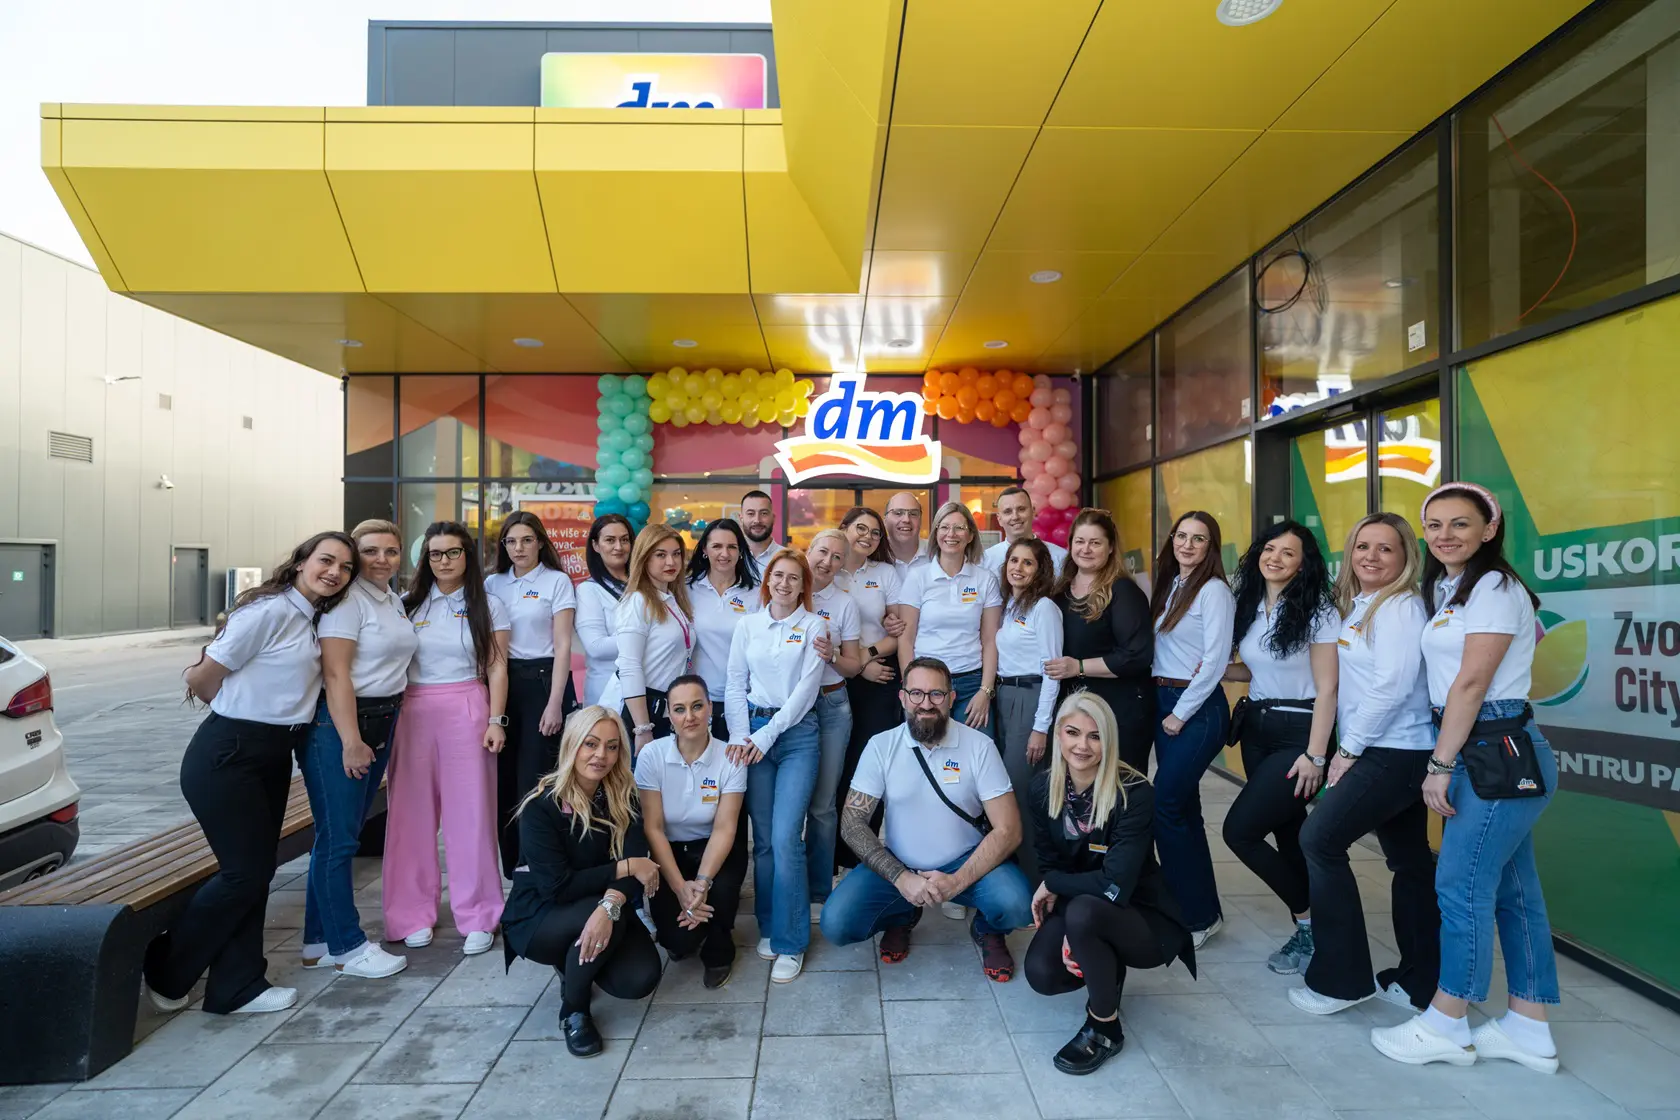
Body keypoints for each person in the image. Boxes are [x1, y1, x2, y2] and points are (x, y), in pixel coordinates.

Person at [1371, 483, 1559, 1071]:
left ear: (1489, 529)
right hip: (1485, 746)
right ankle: (1530, 1026)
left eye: (1459, 523)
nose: (1444, 535)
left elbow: (1472, 684)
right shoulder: (1452, 588)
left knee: (1459, 885)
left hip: (1493, 747)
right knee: (1515, 891)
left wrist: (1441, 763)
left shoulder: (1496, 587)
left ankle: (1447, 1021)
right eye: (1434, 525)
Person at [144, 532, 356, 1016]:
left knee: (256, 871)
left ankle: (235, 987)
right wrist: (238, 716)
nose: (335, 572)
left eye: (345, 567)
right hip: (230, 753)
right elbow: (201, 678)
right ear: (301, 562)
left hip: (273, 754)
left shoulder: (311, 617)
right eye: (326, 560)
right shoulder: (268, 612)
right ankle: (167, 968)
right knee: (245, 873)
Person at [1290, 513, 1438, 1017]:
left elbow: (1392, 687)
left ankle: (1342, 980)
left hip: (1392, 750)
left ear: (1405, 557)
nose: (1371, 557)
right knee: (1410, 863)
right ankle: (1421, 983)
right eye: (1362, 546)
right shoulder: (1361, 605)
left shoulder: (1400, 607)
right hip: (1387, 747)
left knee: (1319, 840)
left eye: (1385, 548)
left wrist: (1347, 750)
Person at [824, 657, 1035, 983]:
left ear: (951, 698)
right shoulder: (881, 746)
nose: (926, 703)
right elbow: (852, 822)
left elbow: (1009, 830)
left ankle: (988, 928)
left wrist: (957, 882)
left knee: (1018, 904)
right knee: (837, 923)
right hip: (900, 863)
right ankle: (901, 914)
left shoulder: (979, 746)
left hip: (967, 862)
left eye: (936, 694)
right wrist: (901, 878)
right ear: (903, 697)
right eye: (917, 693)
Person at [1024, 691, 1194, 1075]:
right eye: (1072, 732)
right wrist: (1060, 900)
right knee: (1042, 973)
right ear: (1058, 734)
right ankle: (1100, 955)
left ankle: (1105, 1027)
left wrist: (1055, 889)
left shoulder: (1135, 793)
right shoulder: (1041, 788)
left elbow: (1115, 884)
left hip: (1142, 915)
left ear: (1109, 741)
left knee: (1085, 913)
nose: (1082, 746)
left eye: (1095, 736)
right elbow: (1048, 863)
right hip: (1084, 902)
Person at [502, 707, 662, 1057]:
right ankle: (573, 1011)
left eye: (611, 746)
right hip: (541, 914)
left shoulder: (623, 795)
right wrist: (624, 869)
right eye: (591, 744)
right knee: (603, 912)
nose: (601, 755)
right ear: (572, 744)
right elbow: (557, 887)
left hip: (601, 903)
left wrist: (610, 902)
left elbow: (639, 867)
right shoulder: (541, 806)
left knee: (639, 978)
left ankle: (576, 957)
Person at [383, 521, 511, 957]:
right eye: (435, 553)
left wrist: (496, 719)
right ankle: (410, 914)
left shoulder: (488, 604)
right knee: (410, 817)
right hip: (413, 711)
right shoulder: (406, 604)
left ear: (467, 555)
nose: (443, 561)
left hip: (467, 707)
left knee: (471, 817)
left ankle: (478, 914)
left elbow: (497, 666)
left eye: (452, 552)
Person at [297, 520, 416, 979]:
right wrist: (350, 741)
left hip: (382, 719)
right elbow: (335, 674)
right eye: (370, 551)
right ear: (355, 555)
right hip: (344, 725)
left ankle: (318, 942)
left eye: (391, 551)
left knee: (338, 835)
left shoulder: (390, 599)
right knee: (340, 840)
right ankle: (348, 947)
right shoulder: (347, 603)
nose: (381, 559)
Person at [1219, 521, 1339, 976]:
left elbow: (1328, 688)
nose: (1275, 558)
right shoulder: (1251, 606)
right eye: (1270, 549)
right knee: (1287, 832)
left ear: (1303, 564)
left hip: (1300, 733)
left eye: (1288, 553)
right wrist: (1211, 670)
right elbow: (1258, 670)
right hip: (1257, 727)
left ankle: (1311, 920)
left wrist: (1316, 755)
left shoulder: (1318, 611)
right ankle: (1311, 931)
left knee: (1240, 832)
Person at [725, 550, 829, 983]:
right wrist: (739, 734)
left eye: (793, 578)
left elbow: (806, 691)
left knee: (787, 838)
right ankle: (769, 924)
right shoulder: (747, 625)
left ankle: (791, 940)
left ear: (803, 586)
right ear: (767, 580)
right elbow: (734, 682)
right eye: (778, 576)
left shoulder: (814, 626)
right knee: (764, 841)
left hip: (796, 735)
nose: (784, 584)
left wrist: (766, 736)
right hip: (751, 732)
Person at [1148, 510, 1237, 948]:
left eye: (1198, 539)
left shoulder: (1214, 590)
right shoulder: (1170, 585)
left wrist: (1180, 713)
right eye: (1181, 536)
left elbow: (1216, 660)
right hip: (1166, 699)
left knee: (1164, 805)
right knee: (1184, 810)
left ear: (1210, 547)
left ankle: (1195, 915)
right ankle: (1203, 910)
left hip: (1196, 709)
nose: (1187, 544)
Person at [633, 675, 748, 990]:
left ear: (710, 708)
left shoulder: (730, 757)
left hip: (714, 848)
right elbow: (653, 828)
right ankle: (694, 926)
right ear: (669, 715)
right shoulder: (652, 755)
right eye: (680, 709)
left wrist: (702, 883)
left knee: (720, 896)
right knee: (678, 941)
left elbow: (725, 828)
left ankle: (719, 949)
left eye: (697, 706)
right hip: (669, 853)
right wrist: (680, 887)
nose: (690, 716)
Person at [486, 511, 579, 878]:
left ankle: (536, 861)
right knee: (503, 778)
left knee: (537, 777)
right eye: (511, 541)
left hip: (543, 682)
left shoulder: (557, 581)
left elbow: (563, 645)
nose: (519, 548)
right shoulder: (493, 583)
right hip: (501, 682)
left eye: (526, 540)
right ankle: (512, 865)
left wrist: (555, 702)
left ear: (540, 542)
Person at [1045, 509, 1154, 774]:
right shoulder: (1059, 592)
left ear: (1111, 547)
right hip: (1074, 707)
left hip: (1118, 709)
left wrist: (1078, 667)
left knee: (1118, 785)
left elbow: (1137, 656)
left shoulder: (1123, 591)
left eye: (1095, 543)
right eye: (1080, 541)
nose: (1086, 549)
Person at [834, 506, 906, 874]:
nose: (868, 537)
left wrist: (864, 659)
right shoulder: (826, 568)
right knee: (835, 767)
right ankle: (830, 858)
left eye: (876, 533)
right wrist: (856, 665)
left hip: (879, 677)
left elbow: (898, 632)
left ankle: (858, 857)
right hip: (833, 677)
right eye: (861, 528)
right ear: (844, 528)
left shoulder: (885, 573)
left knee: (869, 765)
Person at [895, 501, 1002, 736]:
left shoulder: (985, 579)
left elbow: (990, 639)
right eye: (944, 527)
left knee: (978, 750)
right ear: (936, 534)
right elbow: (906, 639)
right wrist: (911, 688)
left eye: (959, 528)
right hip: (926, 685)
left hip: (971, 683)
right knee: (928, 749)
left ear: (970, 535)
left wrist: (985, 690)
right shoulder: (918, 577)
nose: (951, 534)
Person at [992, 536, 1063, 883]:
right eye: (1013, 560)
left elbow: (1052, 671)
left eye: (1027, 562)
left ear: (1040, 570)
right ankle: (1013, 878)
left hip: (1030, 698)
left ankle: (1038, 883)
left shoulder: (1043, 608)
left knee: (1018, 793)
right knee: (1004, 791)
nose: (1018, 568)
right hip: (1004, 697)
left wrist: (1040, 727)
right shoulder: (1009, 605)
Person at [804, 529, 863, 904]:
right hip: (788, 709)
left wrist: (833, 656)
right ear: (808, 550)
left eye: (837, 557)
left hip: (830, 706)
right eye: (822, 552)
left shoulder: (844, 603)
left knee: (823, 805)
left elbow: (854, 666)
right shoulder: (784, 589)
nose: (827, 561)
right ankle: (787, 883)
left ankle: (818, 890)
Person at [617, 524, 695, 755]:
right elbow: (629, 666)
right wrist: (642, 728)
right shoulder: (638, 601)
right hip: (643, 712)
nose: (671, 562)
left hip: (669, 708)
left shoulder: (672, 599)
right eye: (660, 555)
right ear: (644, 558)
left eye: (676, 554)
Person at [684, 518, 759, 743]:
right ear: (704, 550)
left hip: (744, 701)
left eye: (732, 547)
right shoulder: (686, 589)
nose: (724, 554)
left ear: (741, 551)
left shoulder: (757, 593)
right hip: (697, 700)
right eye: (717, 546)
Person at [576, 514, 633, 708]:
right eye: (610, 540)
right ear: (595, 545)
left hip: (646, 689)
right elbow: (596, 647)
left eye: (624, 540)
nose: (619, 547)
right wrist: (648, 637)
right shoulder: (588, 590)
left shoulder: (645, 585)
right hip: (606, 694)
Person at [981, 486, 1068, 583]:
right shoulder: (985, 561)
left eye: (1021, 509)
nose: (1015, 517)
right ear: (999, 519)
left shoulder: (1060, 557)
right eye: (1008, 512)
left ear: (1033, 512)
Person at [882, 491, 927, 577]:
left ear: (920, 520)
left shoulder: (937, 553)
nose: (906, 519)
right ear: (885, 521)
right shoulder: (873, 555)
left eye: (913, 514)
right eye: (898, 513)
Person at [739, 489, 784, 571]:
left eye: (764, 513)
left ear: (773, 518)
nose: (757, 520)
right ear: (741, 518)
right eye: (750, 514)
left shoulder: (787, 558)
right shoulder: (730, 557)